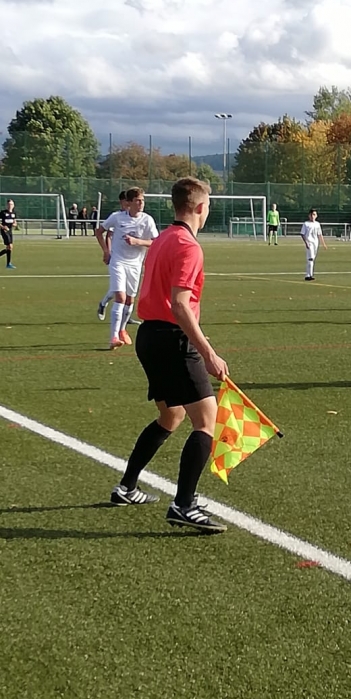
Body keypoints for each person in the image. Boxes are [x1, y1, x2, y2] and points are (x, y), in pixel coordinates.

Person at [109, 177, 228, 534]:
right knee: (207, 421)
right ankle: (184, 504)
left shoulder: (162, 239)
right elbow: (179, 304)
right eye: (209, 205)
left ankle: (126, 487)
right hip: (172, 339)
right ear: (200, 208)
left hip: (149, 336)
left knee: (171, 415)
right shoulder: (189, 246)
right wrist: (208, 352)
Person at [95, 187, 158, 349]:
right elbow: (99, 231)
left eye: (142, 200)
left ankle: (122, 329)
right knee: (121, 298)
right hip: (118, 261)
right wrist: (106, 251)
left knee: (130, 300)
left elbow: (156, 242)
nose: (141, 203)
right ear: (129, 203)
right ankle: (113, 337)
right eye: (137, 200)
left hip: (135, 264)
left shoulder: (147, 220)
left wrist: (138, 242)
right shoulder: (117, 217)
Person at [97, 192, 129, 320]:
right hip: (117, 258)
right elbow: (108, 236)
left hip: (131, 259)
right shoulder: (116, 217)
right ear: (122, 202)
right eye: (126, 200)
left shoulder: (137, 217)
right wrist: (107, 252)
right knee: (119, 289)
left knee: (127, 289)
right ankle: (103, 303)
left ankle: (125, 315)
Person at [301, 208, 327, 280]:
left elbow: (320, 234)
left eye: (314, 214)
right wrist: (306, 242)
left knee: (312, 259)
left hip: (316, 243)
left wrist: (323, 243)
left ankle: (308, 274)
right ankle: (309, 275)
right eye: (311, 215)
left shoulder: (317, 224)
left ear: (316, 216)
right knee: (311, 258)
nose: (313, 216)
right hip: (309, 243)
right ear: (309, 215)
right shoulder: (306, 224)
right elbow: (302, 234)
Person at [0, 199, 17, 269]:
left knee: (10, 248)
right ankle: (8, 264)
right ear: (7, 205)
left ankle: (8, 264)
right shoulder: (3, 213)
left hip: (10, 231)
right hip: (4, 231)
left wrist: (14, 224)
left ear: (13, 205)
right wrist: (3, 227)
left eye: (11, 204)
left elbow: (15, 222)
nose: (10, 206)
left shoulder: (14, 213)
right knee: (9, 246)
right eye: (9, 204)